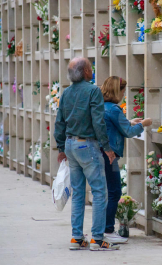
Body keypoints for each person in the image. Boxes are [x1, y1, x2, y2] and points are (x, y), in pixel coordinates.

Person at [54, 57, 119, 251]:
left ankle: (76, 238)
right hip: (87, 146)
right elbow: (98, 121)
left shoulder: (66, 93)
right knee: (100, 192)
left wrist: (60, 147)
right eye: (90, 68)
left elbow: (60, 122)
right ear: (85, 72)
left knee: (78, 192)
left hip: (70, 145)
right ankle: (97, 239)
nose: (92, 70)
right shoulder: (92, 91)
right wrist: (107, 148)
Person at [100, 76, 152, 243]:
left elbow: (112, 125)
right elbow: (128, 132)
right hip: (109, 154)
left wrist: (129, 121)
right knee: (114, 191)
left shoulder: (101, 106)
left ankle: (101, 228)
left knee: (104, 191)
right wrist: (144, 123)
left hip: (98, 152)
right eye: (123, 91)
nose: (123, 94)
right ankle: (108, 230)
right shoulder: (115, 109)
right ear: (117, 90)